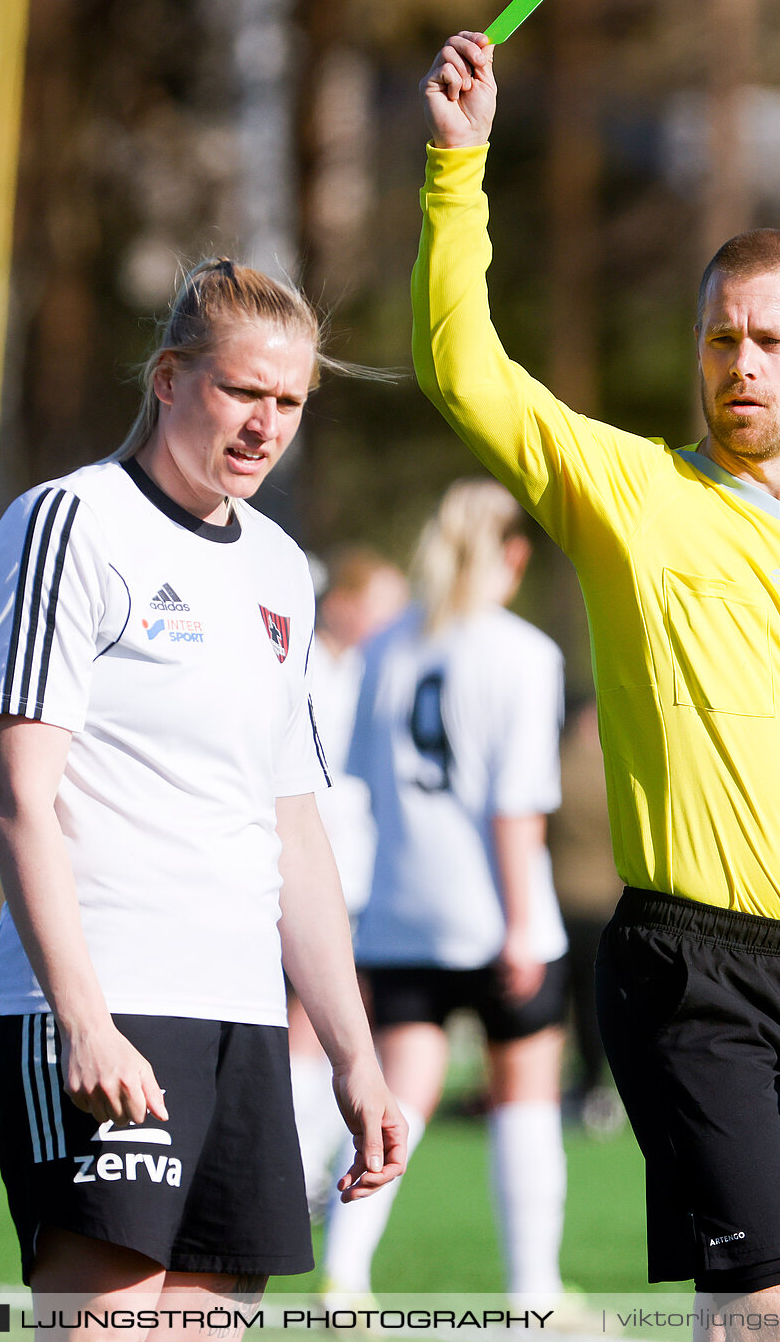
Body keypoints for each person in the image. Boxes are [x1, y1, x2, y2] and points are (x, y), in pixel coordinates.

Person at [411, 33, 780, 1338]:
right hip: (689, 970)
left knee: (759, 1318)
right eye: (722, 337)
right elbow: (465, 372)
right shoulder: (632, 496)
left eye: (770, 341)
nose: (742, 363)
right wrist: (459, 170)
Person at [0, 258, 407, 1340]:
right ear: (169, 379)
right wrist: (85, 1020)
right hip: (107, 1003)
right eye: (242, 392)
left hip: (245, 1023)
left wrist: (355, 1056)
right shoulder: (68, 524)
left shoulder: (279, 567)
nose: (266, 425)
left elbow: (293, 828)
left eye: (291, 403)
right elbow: (20, 795)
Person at [320, 478, 569, 1306]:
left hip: (399, 914)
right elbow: (514, 806)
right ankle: (534, 1295)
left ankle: (345, 1272)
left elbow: (359, 780)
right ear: (515, 556)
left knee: (400, 1097)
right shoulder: (525, 654)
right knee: (525, 1100)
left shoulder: (388, 647)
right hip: (498, 918)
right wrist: (523, 925)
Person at [290, 549, 409, 1213]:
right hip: (315, 872)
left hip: (359, 872)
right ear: (343, 603)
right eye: (379, 605)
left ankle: (303, 1162)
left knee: (334, 1018)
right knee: (312, 1018)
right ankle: (298, 1163)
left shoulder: (372, 668)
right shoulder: (308, 667)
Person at [547, 697, 625, 1136]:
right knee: (596, 1003)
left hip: (556, 900)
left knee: (557, 1003)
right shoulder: (615, 772)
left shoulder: (555, 768)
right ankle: (595, 1086)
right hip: (605, 903)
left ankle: (552, 1087)